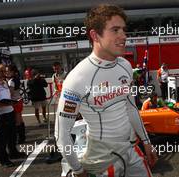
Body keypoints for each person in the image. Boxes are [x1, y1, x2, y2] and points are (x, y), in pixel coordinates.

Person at [55, 4, 157, 177]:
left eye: (124, 30)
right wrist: (78, 170)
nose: (123, 36)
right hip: (101, 161)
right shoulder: (77, 78)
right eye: (115, 30)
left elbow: (131, 109)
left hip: (131, 150)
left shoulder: (125, 66)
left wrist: (146, 142)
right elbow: (62, 134)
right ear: (95, 35)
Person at [0, 64, 26, 168]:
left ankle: (13, 153)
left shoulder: (4, 82)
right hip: (0, 115)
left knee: (12, 135)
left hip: (10, 111)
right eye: (1, 71)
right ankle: (3, 160)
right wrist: (8, 104)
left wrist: (13, 102)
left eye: (5, 71)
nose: (4, 73)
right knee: (2, 138)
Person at [5, 65, 26, 144]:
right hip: (19, 100)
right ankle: (22, 137)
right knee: (20, 119)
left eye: (8, 71)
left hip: (15, 102)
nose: (6, 73)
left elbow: (10, 93)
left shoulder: (11, 81)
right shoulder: (16, 79)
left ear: (13, 72)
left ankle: (20, 139)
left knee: (17, 121)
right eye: (6, 71)